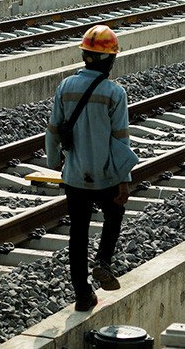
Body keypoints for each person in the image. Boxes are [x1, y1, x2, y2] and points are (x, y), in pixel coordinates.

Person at [44, 25, 139, 312]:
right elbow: (121, 139)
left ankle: (83, 295)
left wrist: (53, 161)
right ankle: (103, 261)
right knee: (115, 213)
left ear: (84, 56)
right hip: (106, 175)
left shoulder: (65, 86)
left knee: (78, 234)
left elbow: (53, 128)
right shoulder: (115, 93)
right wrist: (124, 179)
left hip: (75, 175)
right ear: (110, 60)